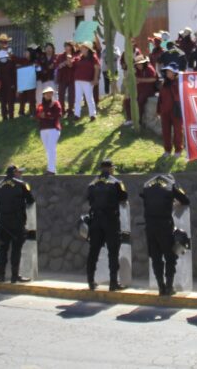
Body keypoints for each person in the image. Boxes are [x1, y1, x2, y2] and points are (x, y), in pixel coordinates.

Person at [140, 174, 190, 295]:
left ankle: (161, 287)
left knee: (156, 258)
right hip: (164, 227)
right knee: (170, 257)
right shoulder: (170, 188)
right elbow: (185, 200)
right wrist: (174, 203)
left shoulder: (147, 188)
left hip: (150, 227)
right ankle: (169, 286)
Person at [85, 159, 128, 291]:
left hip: (96, 221)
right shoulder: (116, 182)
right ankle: (113, 282)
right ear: (110, 169)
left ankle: (91, 281)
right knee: (113, 252)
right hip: (111, 221)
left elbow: (89, 199)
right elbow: (123, 198)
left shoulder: (92, 183)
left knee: (93, 251)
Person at [0, 165, 35, 283]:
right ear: (15, 173)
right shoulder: (21, 184)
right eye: (19, 172)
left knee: (3, 249)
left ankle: (1, 276)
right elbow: (31, 200)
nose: (21, 174)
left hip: (3, 221)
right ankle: (14, 276)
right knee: (16, 249)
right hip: (17, 222)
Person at [157, 63, 183, 158]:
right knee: (166, 132)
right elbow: (160, 97)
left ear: (175, 73)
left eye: (170, 71)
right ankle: (167, 150)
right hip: (165, 112)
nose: (168, 73)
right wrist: (159, 110)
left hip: (176, 112)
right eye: (167, 71)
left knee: (178, 132)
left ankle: (178, 150)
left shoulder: (180, 83)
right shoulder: (164, 83)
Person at [122, 55, 157, 127]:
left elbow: (154, 79)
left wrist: (141, 80)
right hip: (138, 89)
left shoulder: (149, 68)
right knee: (127, 100)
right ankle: (130, 119)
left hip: (148, 90)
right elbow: (133, 78)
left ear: (144, 63)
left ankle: (138, 121)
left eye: (140, 64)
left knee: (139, 101)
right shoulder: (136, 69)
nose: (139, 66)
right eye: (137, 64)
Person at [36, 86, 62, 175]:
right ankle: (51, 168)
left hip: (53, 128)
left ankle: (51, 170)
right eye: (47, 93)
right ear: (44, 95)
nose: (49, 94)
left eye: (50, 93)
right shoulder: (40, 105)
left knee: (51, 148)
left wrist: (46, 115)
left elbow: (58, 114)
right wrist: (41, 115)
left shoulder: (55, 103)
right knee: (48, 150)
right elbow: (36, 115)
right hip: (43, 129)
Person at [73, 42, 100, 121]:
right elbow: (72, 62)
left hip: (88, 80)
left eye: (83, 48)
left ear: (88, 49)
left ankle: (92, 114)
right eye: (81, 48)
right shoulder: (79, 57)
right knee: (78, 98)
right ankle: (77, 114)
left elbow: (97, 68)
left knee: (89, 98)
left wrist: (95, 79)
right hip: (78, 80)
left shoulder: (93, 57)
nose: (82, 49)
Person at [0, 34, 17, 120]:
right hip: (1, 80)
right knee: (2, 99)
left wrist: (14, 83)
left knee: (11, 99)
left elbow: (14, 69)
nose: (3, 43)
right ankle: (4, 116)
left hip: (10, 79)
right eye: (1, 42)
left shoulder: (11, 53)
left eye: (5, 42)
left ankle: (11, 116)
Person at [56, 41, 77, 117]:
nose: (66, 48)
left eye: (67, 46)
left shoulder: (75, 55)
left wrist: (68, 62)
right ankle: (62, 110)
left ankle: (70, 110)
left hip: (72, 78)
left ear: (71, 47)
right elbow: (57, 65)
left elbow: (72, 65)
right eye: (65, 46)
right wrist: (60, 65)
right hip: (62, 78)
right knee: (61, 94)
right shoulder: (60, 56)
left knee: (71, 95)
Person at [17, 45, 38, 117]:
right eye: (25, 52)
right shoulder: (22, 60)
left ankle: (32, 112)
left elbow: (38, 69)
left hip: (31, 83)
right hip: (23, 83)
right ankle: (21, 112)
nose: (25, 53)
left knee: (31, 98)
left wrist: (36, 66)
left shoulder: (35, 61)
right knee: (22, 98)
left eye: (27, 52)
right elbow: (15, 59)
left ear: (31, 53)